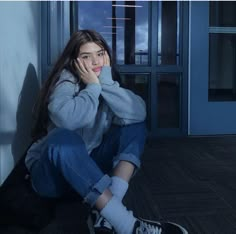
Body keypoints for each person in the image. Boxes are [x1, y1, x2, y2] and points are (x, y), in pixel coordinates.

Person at [25, 29, 188, 234]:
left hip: (87, 170)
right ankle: (127, 225)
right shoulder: (66, 81)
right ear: (75, 61)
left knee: (134, 126)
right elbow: (68, 120)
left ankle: (107, 213)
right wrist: (93, 88)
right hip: (52, 179)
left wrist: (106, 84)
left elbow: (138, 113)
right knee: (63, 137)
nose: (95, 61)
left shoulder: (105, 82)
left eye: (100, 53)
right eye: (86, 56)